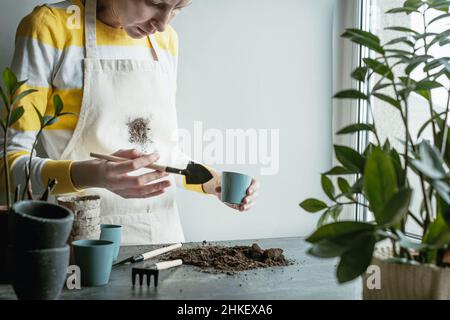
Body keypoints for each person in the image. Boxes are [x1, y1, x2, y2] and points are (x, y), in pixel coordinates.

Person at [1, 0, 259, 244]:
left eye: (179, 7)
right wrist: (94, 175)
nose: (163, 22)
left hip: (163, 238)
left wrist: (214, 182)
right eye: (155, 3)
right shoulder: (50, 28)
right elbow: (9, 168)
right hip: (79, 243)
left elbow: (162, 157)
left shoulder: (165, 40)